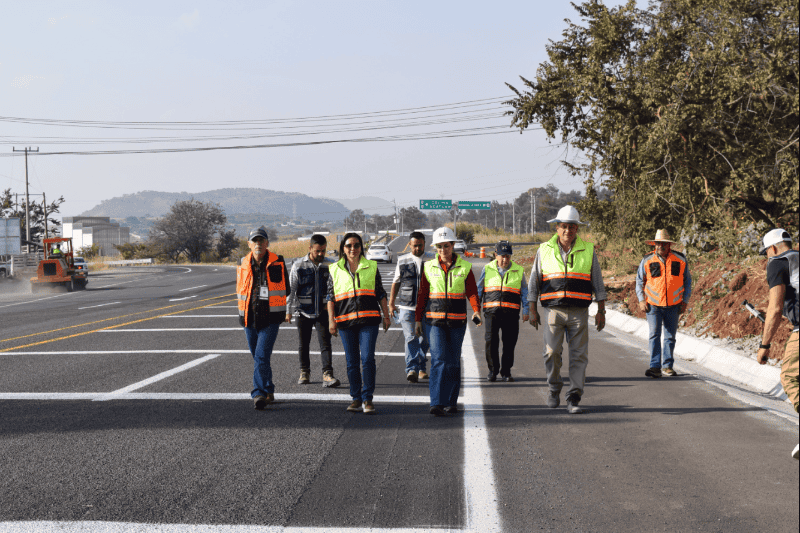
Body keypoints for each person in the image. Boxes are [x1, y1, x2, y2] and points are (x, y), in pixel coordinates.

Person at [528, 206, 607, 414]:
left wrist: (601, 310)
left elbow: (597, 281)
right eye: (564, 226)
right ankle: (554, 388)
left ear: (577, 229)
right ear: (557, 227)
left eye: (572, 227)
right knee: (551, 352)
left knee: (579, 356)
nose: (567, 231)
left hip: (579, 312)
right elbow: (534, 280)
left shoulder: (588, 249)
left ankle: (574, 397)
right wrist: (532, 308)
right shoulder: (544, 249)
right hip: (553, 310)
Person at [414, 226, 482, 416]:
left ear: (453, 245)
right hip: (434, 322)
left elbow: (471, 292)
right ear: (435, 248)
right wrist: (417, 320)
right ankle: (436, 402)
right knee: (438, 360)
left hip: (457, 322)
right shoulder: (428, 266)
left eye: (446, 246)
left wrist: (477, 310)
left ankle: (451, 402)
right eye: (439, 246)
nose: (443, 250)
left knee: (452, 362)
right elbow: (422, 295)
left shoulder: (465, 267)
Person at [327, 232, 391, 415]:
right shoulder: (334, 269)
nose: (353, 249)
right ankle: (355, 398)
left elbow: (380, 292)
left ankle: (368, 399)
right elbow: (330, 297)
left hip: (369, 320)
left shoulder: (371, 266)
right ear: (343, 249)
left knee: (368, 359)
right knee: (351, 361)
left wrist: (386, 316)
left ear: (361, 247)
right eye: (349, 246)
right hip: (346, 322)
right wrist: (331, 320)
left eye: (356, 245)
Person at [754, 229, 798, 460]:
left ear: (772, 248)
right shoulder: (797, 259)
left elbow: (776, 308)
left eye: (766, 253)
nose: (766, 257)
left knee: (790, 376)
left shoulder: (777, 263)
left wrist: (765, 345)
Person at [237, 226, 290, 410]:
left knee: (260, 355)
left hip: (270, 319)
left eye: (261, 240)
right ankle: (269, 388)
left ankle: (258, 393)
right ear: (249, 244)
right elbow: (241, 290)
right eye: (255, 240)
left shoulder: (279, 262)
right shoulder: (242, 263)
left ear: (267, 243)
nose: (258, 243)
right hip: (249, 319)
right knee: (259, 357)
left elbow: (287, 289)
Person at [635, 230, 693, 378]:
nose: (661, 246)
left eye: (664, 243)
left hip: (674, 305)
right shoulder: (647, 259)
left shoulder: (680, 259)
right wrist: (641, 300)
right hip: (653, 304)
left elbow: (687, 281)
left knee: (670, 336)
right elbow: (640, 281)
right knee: (654, 334)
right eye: (658, 243)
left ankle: (667, 366)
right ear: (655, 244)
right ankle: (654, 367)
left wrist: (685, 301)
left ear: (669, 245)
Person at [287, 234, 340, 388]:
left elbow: (336, 290)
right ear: (310, 248)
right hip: (303, 312)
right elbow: (291, 290)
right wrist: (288, 311)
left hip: (323, 312)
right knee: (303, 344)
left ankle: (327, 373)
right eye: (317, 251)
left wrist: (334, 313)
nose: (320, 254)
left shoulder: (331, 265)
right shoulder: (298, 266)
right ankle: (304, 372)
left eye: (323, 251)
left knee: (325, 344)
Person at [477, 240, 529, 382]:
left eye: (507, 256)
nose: (505, 259)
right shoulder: (487, 269)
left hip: (511, 314)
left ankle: (506, 372)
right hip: (491, 313)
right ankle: (492, 371)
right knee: (491, 342)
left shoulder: (518, 270)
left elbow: (524, 291)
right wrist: (477, 311)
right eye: (502, 256)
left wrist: (526, 309)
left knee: (509, 343)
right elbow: (479, 289)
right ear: (496, 255)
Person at [389, 231, 430, 383]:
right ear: (410, 245)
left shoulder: (433, 260)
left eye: (420, 245)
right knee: (411, 338)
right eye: (414, 246)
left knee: (426, 341)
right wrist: (391, 303)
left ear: (424, 244)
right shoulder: (402, 260)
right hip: (407, 307)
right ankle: (412, 369)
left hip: (428, 307)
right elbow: (396, 282)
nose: (418, 249)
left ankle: (420, 367)